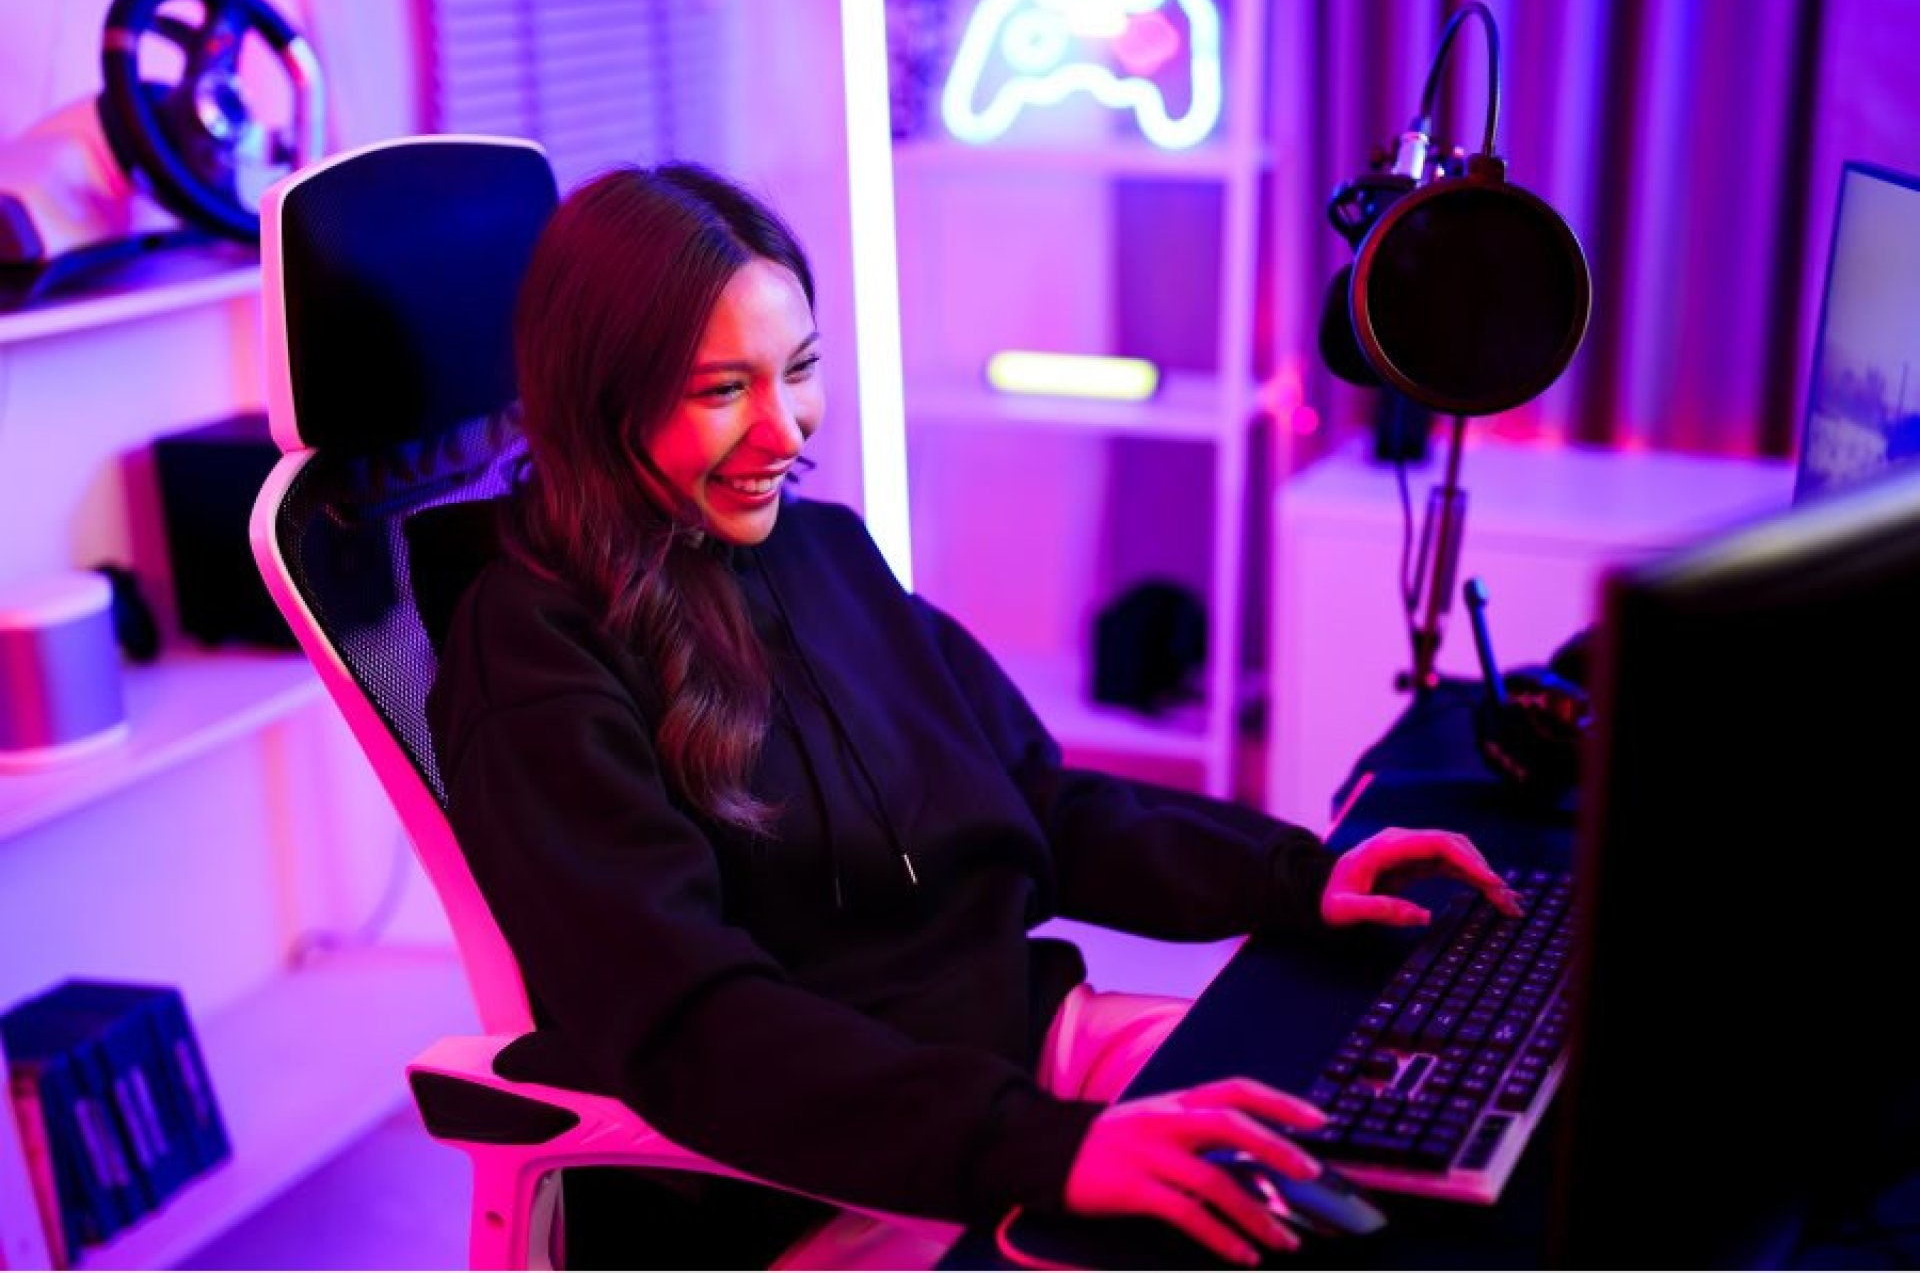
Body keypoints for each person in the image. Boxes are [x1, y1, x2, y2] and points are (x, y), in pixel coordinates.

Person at [425, 161, 1522, 1269]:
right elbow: (693, 1021)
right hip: (819, 1175)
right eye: (722, 391)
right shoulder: (533, 656)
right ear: (600, 400)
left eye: (800, 370)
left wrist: (1297, 876)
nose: (784, 432)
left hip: (1017, 1061)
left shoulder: (821, 549)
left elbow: (1035, 798)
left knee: (1397, 1153)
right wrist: (1045, 1150)